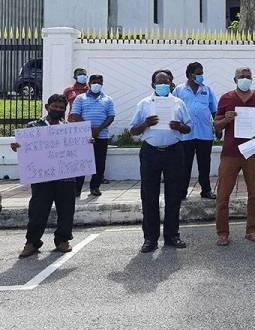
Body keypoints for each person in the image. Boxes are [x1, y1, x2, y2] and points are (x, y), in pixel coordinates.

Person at [129, 70, 192, 253]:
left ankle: (172, 235)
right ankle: (150, 238)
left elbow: (188, 128)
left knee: (174, 195)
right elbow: (133, 130)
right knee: (149, 196)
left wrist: (179, 126)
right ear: (153, 85)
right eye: (159, 82)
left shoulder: (179, 103)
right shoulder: (144, 104)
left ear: (172, 84)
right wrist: (145, 124)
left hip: (174, 152)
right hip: (150, 152)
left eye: (166, 82)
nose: (163, 85)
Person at [11, 94, 78, 258]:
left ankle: (63, 240)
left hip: (65, 177)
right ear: (47, 107)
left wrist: (86, 143)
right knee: (37, 211)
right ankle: (32, 243)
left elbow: (78, 150)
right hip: (41, 178)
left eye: (61, 108)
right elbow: (24, 150)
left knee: (66, 210)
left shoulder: (69, 129)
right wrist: (17, 147)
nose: (58, 110)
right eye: (55, 107)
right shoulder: (33, 127)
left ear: (65, 110)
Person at [213, 67, 255, 246]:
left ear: (252, 79)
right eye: (241, 77)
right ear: (235, 79)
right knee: (223, 194)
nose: (244, 79)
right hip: (230, 153)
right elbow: (216, 126)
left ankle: (252, 230)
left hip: (251, 151)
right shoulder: (226, 98)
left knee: (254, 193)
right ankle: (223, 233)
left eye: (247, 77)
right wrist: (225, 120)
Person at [173, 62, 218, 200]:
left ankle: (206, 190)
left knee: (204, 165)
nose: (201, 76)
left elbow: (214, 110)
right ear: (189, 75)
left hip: (205, 134)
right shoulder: (179, 90)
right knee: (184, 165)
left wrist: (217, 127)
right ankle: (182, 192)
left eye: (201, 73)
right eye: (198, 73)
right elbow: (173, 109)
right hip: (186, 135)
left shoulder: (207, 90)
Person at [70, 74, 115, 197]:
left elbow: (111, 116)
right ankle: (77, 189)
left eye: (99, 82)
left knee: (100, 163)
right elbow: (75, 115)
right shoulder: (80, 98)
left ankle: (95, 187)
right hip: (83, 136)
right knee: (82, 163)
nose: (97, 84)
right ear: (89, 83)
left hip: (102, 136)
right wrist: (88, 129)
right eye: (94, 81)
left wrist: (99, 129)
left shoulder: (108, 99)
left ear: (102, 84)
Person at [63, 68, 89, 197]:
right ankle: (70, 186)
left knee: (84, 158)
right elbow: (62, 106)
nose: (83, 76)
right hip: (72, 127)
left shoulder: (91, 90)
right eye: (80, 75)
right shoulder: (69, 91)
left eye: (84, 74)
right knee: (72, 157)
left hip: (86, 128)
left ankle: (78, 187)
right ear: (74, 76)